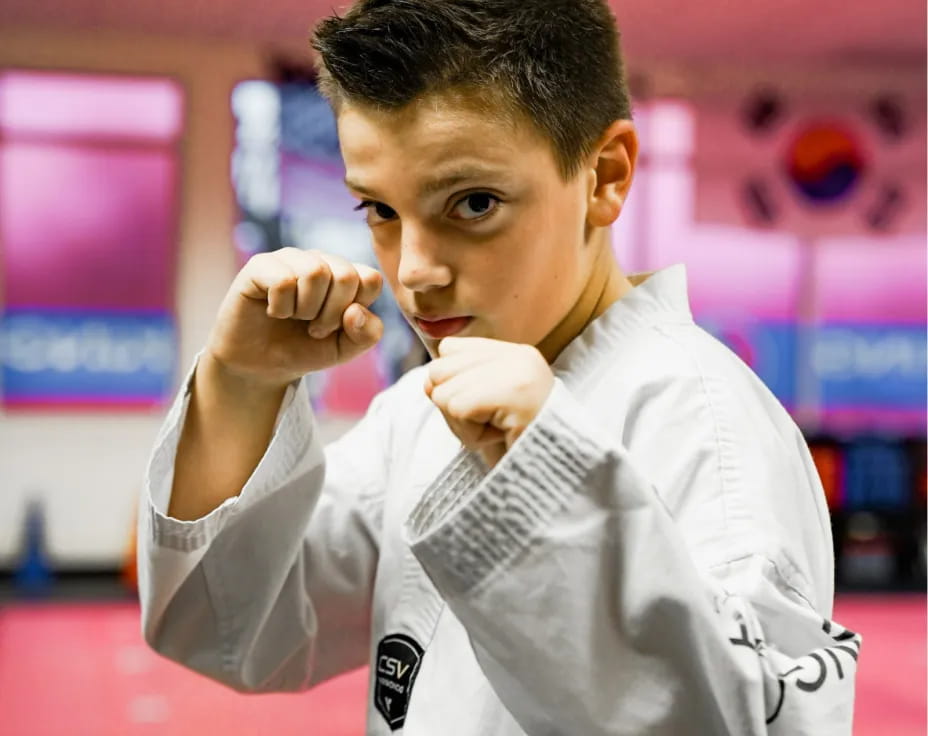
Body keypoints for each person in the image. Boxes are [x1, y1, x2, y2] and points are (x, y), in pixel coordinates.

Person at [137, 1, 861, 733]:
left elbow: (760, 723)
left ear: (605, 176)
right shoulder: (424, 406)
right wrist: (241, 387)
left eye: (473, 203)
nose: (413, 274)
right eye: (380, 212)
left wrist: (552, 482)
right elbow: (233, 630)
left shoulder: (702, 422)